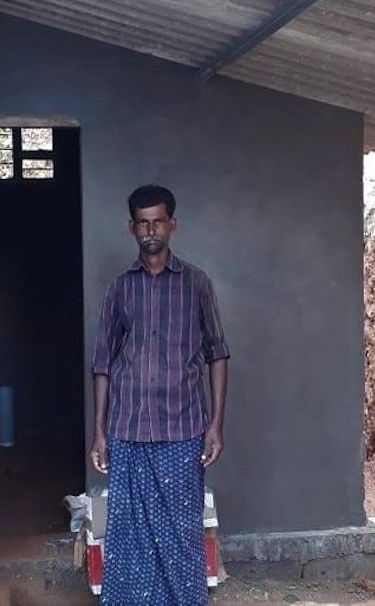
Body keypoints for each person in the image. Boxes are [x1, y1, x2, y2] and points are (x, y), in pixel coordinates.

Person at [90, 184, 230, 605]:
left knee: (181, 533)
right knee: (128, 535)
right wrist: (99, 431)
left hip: (183, 428)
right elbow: (102, 363)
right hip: (127, 429)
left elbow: (218, 355)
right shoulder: (119, 289)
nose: (151, 230)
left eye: (158, 221)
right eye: (142, 222)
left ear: (172, 225)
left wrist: (216, 426)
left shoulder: (197, 285)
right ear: (131, 228)